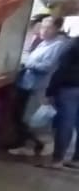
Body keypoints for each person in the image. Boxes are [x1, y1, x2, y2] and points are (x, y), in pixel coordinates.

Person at [9, 15, 70, 156]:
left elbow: (48, 66)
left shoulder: (58, 45)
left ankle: (34, 145)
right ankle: (26, 144)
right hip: (27, 83)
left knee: (31, 118)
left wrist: (27, 63)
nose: (44, 30)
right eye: (43, 26)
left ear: (57, 29)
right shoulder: (44, 43)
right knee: (21, 116)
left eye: (48, 27)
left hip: (38, 86)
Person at [41, 35, 79, 169]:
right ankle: (76, 160)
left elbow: (62, 70)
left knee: (65, 124)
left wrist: (50, 91)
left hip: (70, 88)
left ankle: (57, 160)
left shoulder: (73, 45)